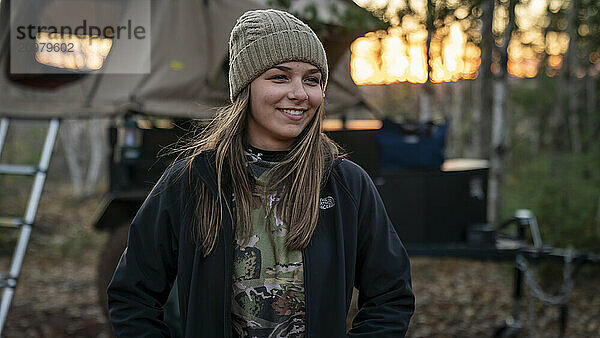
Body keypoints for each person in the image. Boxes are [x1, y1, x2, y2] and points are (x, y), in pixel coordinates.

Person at [107, 9, 414, 337]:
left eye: (312, 79)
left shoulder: (345, 184)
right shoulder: (194, 181)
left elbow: (390, 296)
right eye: (280, 77)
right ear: (245, 87)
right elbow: (132, 296)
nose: (299, 93)